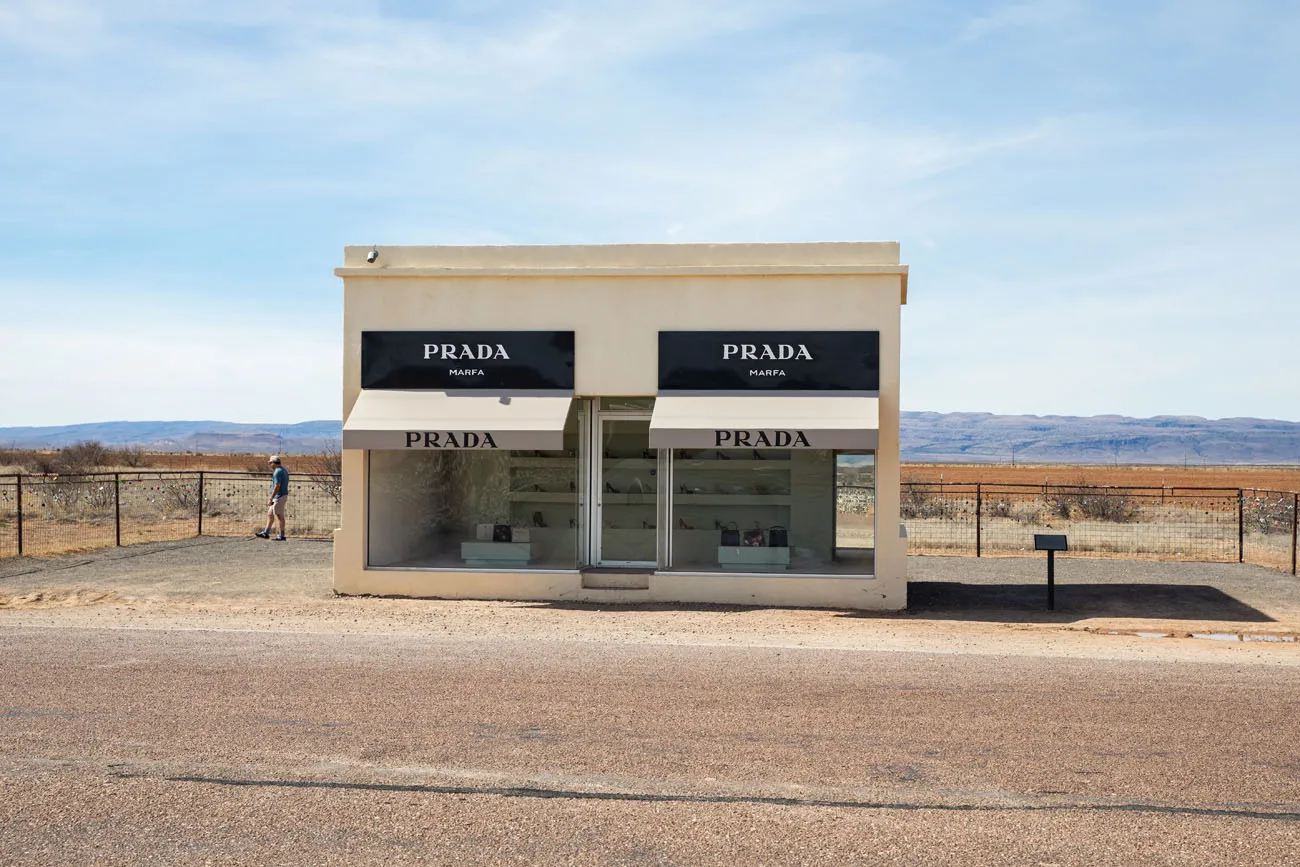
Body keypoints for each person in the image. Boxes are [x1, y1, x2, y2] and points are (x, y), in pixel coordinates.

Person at [255, 455, 290, 541]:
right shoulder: (283, 470)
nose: (270, 464)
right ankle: (266, 533)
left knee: (279, 515)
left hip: (279, 496)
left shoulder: (277, 472)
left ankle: (282, 535)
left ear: (274, 463)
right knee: (270, 514)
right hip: (279, 496)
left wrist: (271, 498)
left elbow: (277, 486)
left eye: (270, 463)